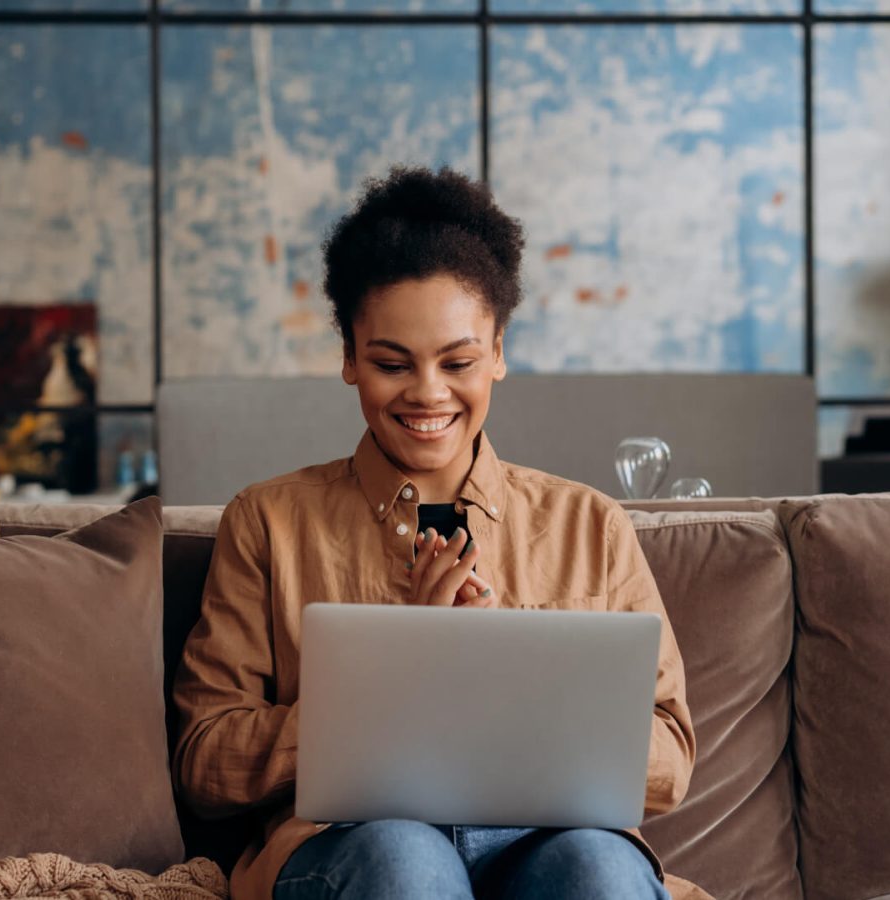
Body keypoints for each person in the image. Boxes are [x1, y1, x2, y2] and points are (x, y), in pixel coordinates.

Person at [171, 166, 700, 900]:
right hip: (359, 843)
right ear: (350, 358)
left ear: (500, 354)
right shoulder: (267, 522)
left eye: (459, 362)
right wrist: (391, 690)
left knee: (601, 871)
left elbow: (670, 760)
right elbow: (204, 760)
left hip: (548, 842)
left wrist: (500, 680)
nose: (428, 393)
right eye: (392, 363)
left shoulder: (590, 526)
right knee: (406, 863)